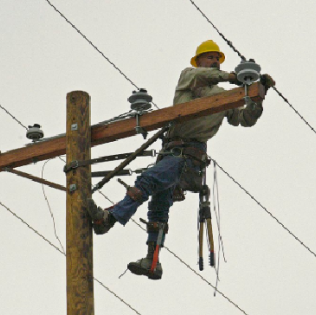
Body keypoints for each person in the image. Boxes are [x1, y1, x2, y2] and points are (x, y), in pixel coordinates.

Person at [87, 40, 275, 280]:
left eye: (217, 58)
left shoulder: (226, 97)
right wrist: (231, 76)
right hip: (172, 152)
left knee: (147, 181)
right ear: (199, 62)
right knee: (158, 207)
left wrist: (259, 97)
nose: (214, 61)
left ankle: (109, 219)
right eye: (209, 57)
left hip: (190, 158)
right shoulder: (189, 77)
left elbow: (244, 119)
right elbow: (204, 75)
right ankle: (152, 261)